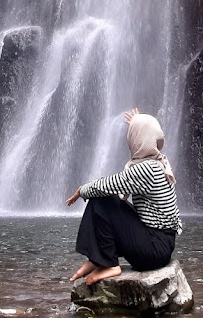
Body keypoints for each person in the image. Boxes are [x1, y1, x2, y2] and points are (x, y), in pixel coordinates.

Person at [66, 108, 182, 285]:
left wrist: (81, 190)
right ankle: (98, 260)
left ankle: (110, 264)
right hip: (159, 245)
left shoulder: (148, 169)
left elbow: (109, 184)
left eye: (134, 133)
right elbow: (116, 185)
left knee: (101, 200)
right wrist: (138, 122)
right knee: (107, 200)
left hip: (154, 250)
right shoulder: (158, 161)